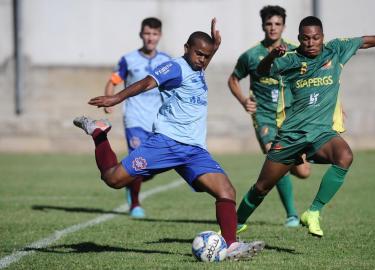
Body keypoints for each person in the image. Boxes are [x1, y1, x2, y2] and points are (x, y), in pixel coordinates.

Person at [74, 19, 264, 260]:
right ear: (186, 48)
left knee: (226, 191)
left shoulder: (199, 66)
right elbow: (146, 83)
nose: (202, 59)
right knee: (113, 179)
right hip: (166, 144)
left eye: (207, 56)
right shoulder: (175, 67)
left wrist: (215, 46)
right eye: (198, 54)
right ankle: (99, 134)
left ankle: (232, 245)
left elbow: (203, 55)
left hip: (194, 150)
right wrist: (117, 98)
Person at [244, 16, 375, 237]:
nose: (311, 43)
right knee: (262, 187)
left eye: (316, 38)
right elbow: (262, 71)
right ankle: (236, 221)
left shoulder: (336, 50)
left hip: (321, 134)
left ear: (323, 37)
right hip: (291, 135)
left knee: (345, 156)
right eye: (306, 39)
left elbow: (364, 41)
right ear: (299, 39)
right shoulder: (290, 59)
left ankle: (313, 212)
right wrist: (272, 56)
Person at [228, 5, 310, 231]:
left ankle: (292, 163)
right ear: (263, 25)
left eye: (277, 24)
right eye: (268, 24)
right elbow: (233, 80)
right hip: (263, 117)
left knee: (303, 172)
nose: (273, 28)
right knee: (277, 157)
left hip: (290, 117)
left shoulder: (296, 51)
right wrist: (244, 100)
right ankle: (292, 215)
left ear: (284, 26)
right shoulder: (251, 55)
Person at [103, 17, 171, 218]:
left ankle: (128, 181)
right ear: (141, 34)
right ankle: (135, 204)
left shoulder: (167, 60)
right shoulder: (129, 59)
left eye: (154, 34)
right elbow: (113, 81)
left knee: (152, 165)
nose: (150, 38)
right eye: (147, 33)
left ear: (160, 36)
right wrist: (109, 101)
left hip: (158, 120)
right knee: (138, 159)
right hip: (134, 118)